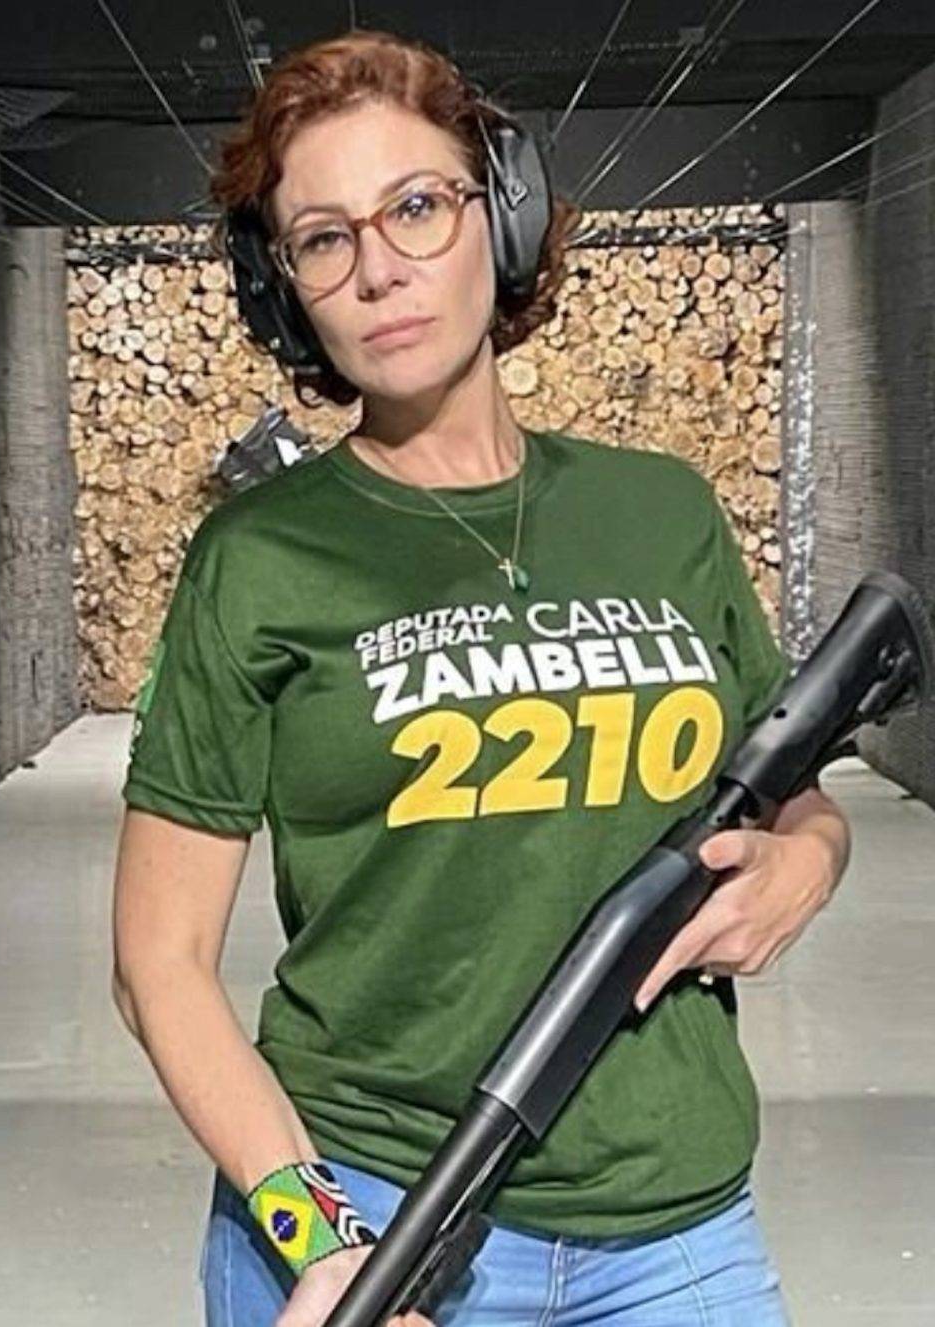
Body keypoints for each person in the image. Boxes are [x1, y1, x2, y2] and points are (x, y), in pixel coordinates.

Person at [111, 30, 849, 1327]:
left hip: (673, 1218)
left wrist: (811, 862)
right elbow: (157, 963)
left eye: (417, 207)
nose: (379, 270)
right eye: (323, 239)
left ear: (499, 216)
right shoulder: (261, 560)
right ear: (286, 290)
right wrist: (317, 1236)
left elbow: (792, 786)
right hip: (376, 1214)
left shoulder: (658, 513)